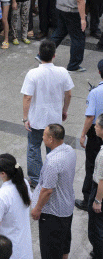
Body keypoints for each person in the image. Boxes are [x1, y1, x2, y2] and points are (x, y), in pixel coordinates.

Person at [21, 40, 73, 188]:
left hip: (36, 119)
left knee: (33, 148)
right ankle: (53, 176)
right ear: (54, 55)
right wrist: (64, 110)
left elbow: (27, 97)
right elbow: (68, 94)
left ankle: (36, 179)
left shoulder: (33, 74)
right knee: (54, 149)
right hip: (54, 119)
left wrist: (25, 118)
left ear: (39, 54)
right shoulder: (62, 72)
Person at [31, 124, 76, 259]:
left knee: (50, 251)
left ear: (51, 139)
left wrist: (37, 209)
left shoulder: (52, 161)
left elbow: (47, 190)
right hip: (67, 208)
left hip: (53, 214)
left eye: (44, 134)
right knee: (64, 245)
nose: (42, 137)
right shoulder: (69, 150)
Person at [0, 154, 33, 259]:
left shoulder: (1, 196)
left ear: (3, 173)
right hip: (24, 243)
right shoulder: (23, 183)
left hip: (7, 246)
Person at [77, 59, 103, 211]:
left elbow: (90, 117)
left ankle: (88, 199)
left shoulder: (95, 93)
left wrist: (83, 135)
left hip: (96, 132)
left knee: (92, 167)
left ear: (99, 72)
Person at [88, 113, 103, 258]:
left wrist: (97, 201)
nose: (95, 127)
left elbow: (102, 180)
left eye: (97, 125)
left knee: (96, 226)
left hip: (99, 190)